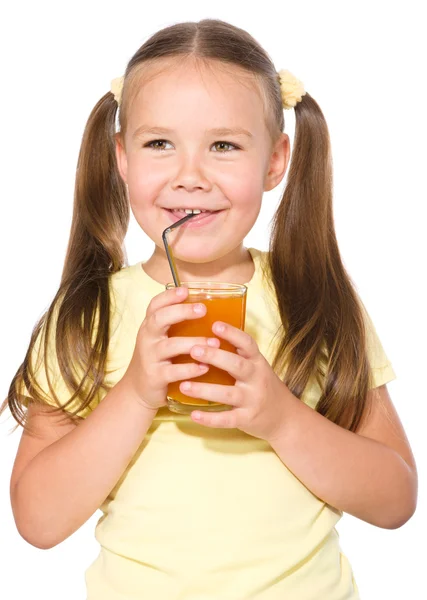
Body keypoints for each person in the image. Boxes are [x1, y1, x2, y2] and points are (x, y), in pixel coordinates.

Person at [1, 18, 417, 600]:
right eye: (158, 144)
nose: (190, 176)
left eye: (223, 145)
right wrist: (137, 393)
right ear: (122, 158)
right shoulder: (87, 315)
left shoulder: (314, 299)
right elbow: (38, 522)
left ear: (275, 161)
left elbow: (395, 500)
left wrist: (279, 416)